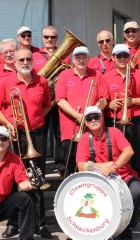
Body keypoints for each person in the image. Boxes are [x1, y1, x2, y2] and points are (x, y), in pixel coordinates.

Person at [0, 47, 52, 238]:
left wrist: (33, 123)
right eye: (21, 60)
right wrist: (9, 124)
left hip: (37, 135)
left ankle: (39, 224)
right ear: (15, 62)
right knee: (13, 179)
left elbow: (47, 106)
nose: (25, 62)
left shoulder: (41, 81)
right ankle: (13, 223)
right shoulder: (6, 82)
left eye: (28, 59)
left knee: (38, 177)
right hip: (15, 136)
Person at [76, 105, 140, 240]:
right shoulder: (83, 139)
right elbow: (81, 166)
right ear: (86, 123)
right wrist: (104, 165)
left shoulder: (114, 132)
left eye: (96, 117)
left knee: (136, 190)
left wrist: (114, 167)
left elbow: (129, 151)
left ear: (102, 118)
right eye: (89, 118)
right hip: (101, 181)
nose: (93, 120)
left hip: (124, 177)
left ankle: (127, 222)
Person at [55, 46, 108, 177]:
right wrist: (78, 116)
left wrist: (91, 115)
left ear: (89, 59)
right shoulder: (64, 75)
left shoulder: (97, 74)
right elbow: (60, 100)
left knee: (92, 168)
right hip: (70, 130)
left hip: (93, 130)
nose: (81, 60)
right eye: (78, 57)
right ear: (73, 59)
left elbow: (104, 99)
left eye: (84, 57)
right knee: (70, 169)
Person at [32, 25, 71, 175]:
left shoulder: (65, 55)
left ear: (57, 39)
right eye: (47, 37)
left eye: (53, 37)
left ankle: (61, 166)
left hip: (58, 101)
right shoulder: (35, 55)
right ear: (42, 38)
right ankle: (39, 165)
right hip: (41, 101)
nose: (49, 40)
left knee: (59, 134)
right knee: (41, 133)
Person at [103, 44, 140, 177]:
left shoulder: (138, 74)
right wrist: (109, 105)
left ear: (129, 57)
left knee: (137, 156)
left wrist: (133, 101)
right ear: (113, 57)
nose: (122, 58)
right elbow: (101, 99)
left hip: (136, 121)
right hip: (114, 121)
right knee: (115, 155)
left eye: (125, 56)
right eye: (119, 56)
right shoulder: (106, 76)